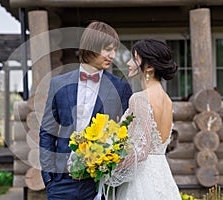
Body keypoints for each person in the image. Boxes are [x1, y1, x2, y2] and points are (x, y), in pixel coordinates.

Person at [39, 21, 132, 200]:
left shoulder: (120, 87)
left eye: (114, 50)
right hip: (61, 181)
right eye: (107, 49)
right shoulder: (58, 84)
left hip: (100, 183)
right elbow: (47, 131)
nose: (112, 55)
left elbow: (128, 133)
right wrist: (49, 177)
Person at [105, 39, 181, 199]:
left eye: (134, 59)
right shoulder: (167, 100)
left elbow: (141, 150)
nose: (128, 63)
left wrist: (107, 166)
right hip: (162, 174)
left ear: (150, 67)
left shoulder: (139, 98)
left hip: (141, 181)